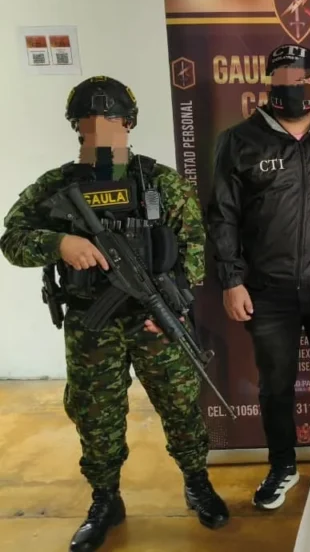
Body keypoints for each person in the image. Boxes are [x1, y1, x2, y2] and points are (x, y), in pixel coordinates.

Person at [0, 76, 229, 551]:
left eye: (112, 120)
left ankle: (197, 482)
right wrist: (59, 243)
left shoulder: (160, 182)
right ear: (75, 128)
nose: (102, 130)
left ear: (130, 123)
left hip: (154, 321)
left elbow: (193, 249)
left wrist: (173, 306)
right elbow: (12, 239)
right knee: (96, 415)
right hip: (92, 323)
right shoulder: (57, 186)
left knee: (180, 406)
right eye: (89, 123)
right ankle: (105, 499)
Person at [206, 44, 310, 510]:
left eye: (301, 78)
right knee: (276, 384)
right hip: (266, 289)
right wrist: (231, 280)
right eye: (283, 78)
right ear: (269, 82)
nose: (293, 86)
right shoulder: (239, 140)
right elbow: (222, 215)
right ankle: (282, 465)